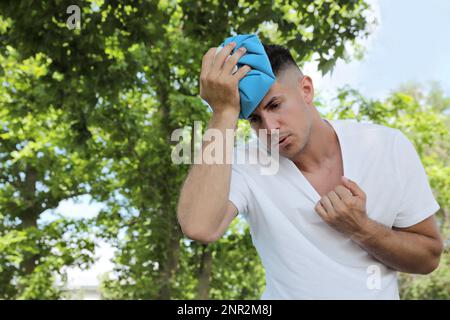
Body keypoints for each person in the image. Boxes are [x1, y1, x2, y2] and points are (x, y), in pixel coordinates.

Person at [177, 41, 443, 299]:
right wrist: (223, 112)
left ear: (306, 90)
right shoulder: (245, 163)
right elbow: (200, 227)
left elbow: (428, 257)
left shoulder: (386, 147)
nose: (270, 128)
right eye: (255, 119)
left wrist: (361, 228)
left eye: (275, 105)